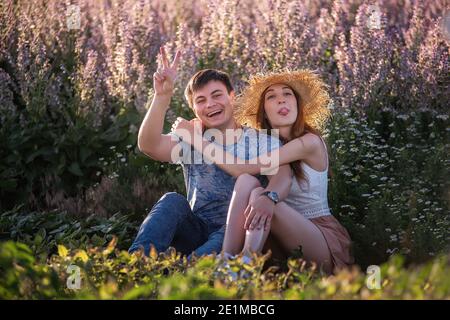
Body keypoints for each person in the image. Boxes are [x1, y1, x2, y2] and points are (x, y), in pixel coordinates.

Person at [173, 69, 354, 274]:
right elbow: (246, 174)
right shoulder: (267, 144)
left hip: (318, 237)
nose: (281, 101)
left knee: (262, 194)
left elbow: (242, 168)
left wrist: (196, 139)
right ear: (264, 110)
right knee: (247, 184)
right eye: (272, 97)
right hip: (276, 237)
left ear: (297, 104)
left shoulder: (308, 142)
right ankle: (228, 262)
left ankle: (245, 266)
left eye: (288, 94)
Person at [128, 47, 292, 258]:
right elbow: (148, 145)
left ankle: (182, 276)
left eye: (217, 95)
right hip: (195, 228)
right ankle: (136, 264)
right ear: (194, 108)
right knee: (172, 200)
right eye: (201, 100)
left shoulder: (261, 141)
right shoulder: (191, 136)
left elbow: (282, 178)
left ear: (232, 97)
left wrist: (270, 198)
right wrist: (162, 97)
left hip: (234, 231)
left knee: (195, 266)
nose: (210, 104)